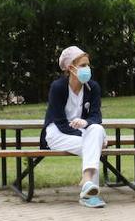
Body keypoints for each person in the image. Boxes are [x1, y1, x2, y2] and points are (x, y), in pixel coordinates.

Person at [41, 45, 108, 208]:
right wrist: (90, 137)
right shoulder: (57, 88)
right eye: (83, 65)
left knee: (97, 130)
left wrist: (86, 124)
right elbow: (61, 123)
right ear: (71, 68)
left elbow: (96, 116)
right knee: (94, 144)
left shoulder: (93, 87)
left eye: (88, 65)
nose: (88, 69)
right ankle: (90, 195)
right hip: (57, 134)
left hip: (82, 132)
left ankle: (87, 183)